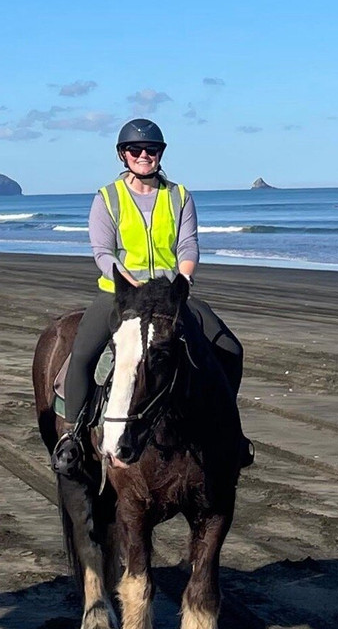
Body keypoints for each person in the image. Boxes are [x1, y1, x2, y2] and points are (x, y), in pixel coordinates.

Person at [50, 118, 253, 477]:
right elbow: (103, 251)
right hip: (120, 295)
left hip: (169, 295)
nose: (144, 155)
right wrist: (130, 284)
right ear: (123, 154)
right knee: (82, 355)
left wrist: (183, 278)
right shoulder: (107, 198)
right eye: (135, 150)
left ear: (160, 153)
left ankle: (229, 434)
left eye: (152, 149)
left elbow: (188, 244)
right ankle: (72, 435)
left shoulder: (179, 196)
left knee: (229, 349)